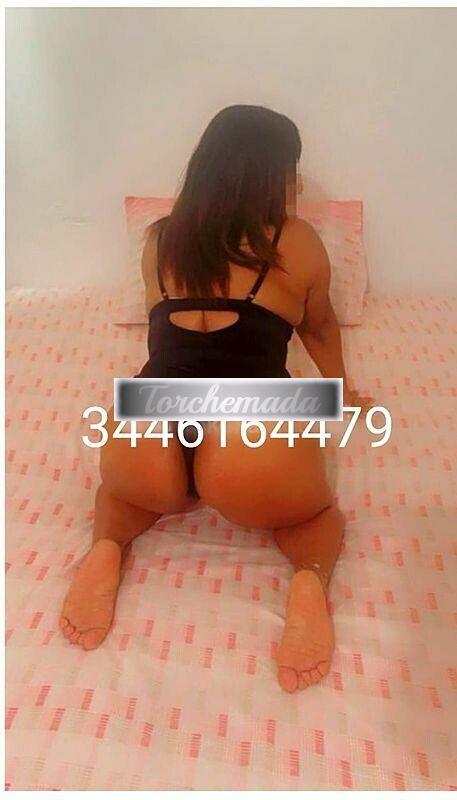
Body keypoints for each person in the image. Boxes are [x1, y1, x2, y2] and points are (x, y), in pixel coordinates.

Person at [60, 105, 373, 693]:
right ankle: (308, 580)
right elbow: (320, 327)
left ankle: (106, 547)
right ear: (272, 176)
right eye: (292, 171)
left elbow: (162, 331)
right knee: (314, 517)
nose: (297, 185)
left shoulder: (161, 239)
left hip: (146, 422)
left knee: (119, 494)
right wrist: (341, 394)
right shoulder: (296, 241)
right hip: (251, 429)